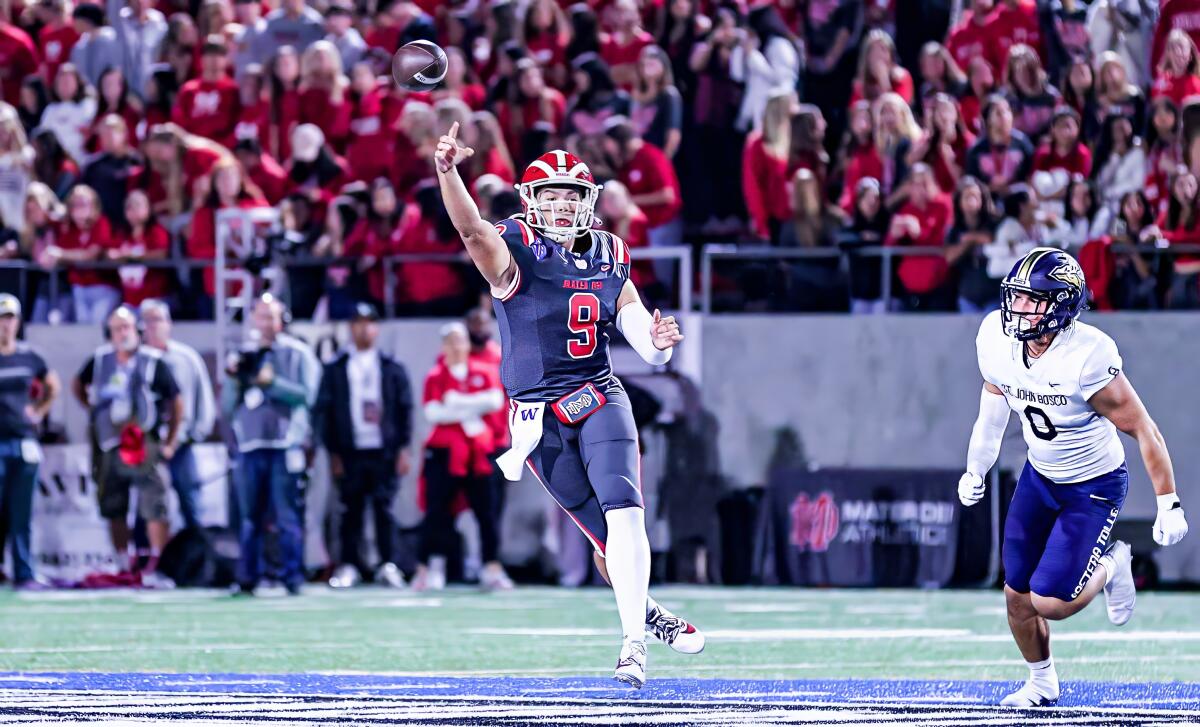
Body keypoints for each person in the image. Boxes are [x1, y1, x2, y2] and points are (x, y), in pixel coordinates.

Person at [434, 122, 704, 689]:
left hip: (599, 395)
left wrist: (653, 342)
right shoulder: (514, 249)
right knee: (606, 543)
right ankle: (648, 613)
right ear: (530, 202)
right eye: (551, 195)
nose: (561, 205)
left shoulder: (611, 250)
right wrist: (448, 172)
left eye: (572, 195)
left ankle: (632, 645)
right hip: (538, 420)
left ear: (588, 202)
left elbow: (633, 323)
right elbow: (468, 230)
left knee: (625, 511)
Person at [959, 247, 1189, 707]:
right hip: (1040, 477)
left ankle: (1113, 564)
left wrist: (1169, 501)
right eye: (1017, 297)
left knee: (1050, 601)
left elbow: (1143, 427)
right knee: (1016, 595)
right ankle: (1041, 682)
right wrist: (975, 467)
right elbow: (992, 410)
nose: (1019, 309)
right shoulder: (997, 341)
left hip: (1093, 485)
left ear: (1061, 305)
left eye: (1032, 300)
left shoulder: (1086, 356)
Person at [74, 305, 183, 585]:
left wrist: (170, 441)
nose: (123, 333)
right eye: (116, 328)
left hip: (144, 441)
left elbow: (176, 400)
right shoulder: (99, 360)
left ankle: (157, 564)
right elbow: (77, 384)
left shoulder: (153, 360)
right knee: (113, 503)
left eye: (127, 327)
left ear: (136, 329)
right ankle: (124, 562)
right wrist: (93, 411)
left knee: (154, 503)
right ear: (108, 332)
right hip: (111, 442)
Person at [222, 295, 320, 596]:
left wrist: (271, 382)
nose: (266, 323)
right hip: (251, 445)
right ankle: (248, 577)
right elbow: (227, 407)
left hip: (285, 444)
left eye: (271, 316)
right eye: (261, 316)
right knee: (250, 517)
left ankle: (292, 576)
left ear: (283, 320)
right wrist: (235, 379)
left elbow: (308, 395)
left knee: (287, 515)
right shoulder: (244, 354)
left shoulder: (298, 353)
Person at [318, 302, 413, 589]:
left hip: (383, 448)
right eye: (358, 322)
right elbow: (326, 410)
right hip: (350, 449)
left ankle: (388, 563)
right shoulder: (336, 367)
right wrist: (333, 451)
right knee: (349, 511)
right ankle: (349, 564)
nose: (364, 328)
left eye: (370, 322)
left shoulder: (390, 366)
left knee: (385, 509)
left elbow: (404, 408)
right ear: (351, 327)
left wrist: (403, 448)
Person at [415, 322, 511, 592]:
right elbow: (433, 413)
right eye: (451, 342)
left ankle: (491, 567)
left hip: (479, 452)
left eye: (460, 341)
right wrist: (472, 407)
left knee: (486, 512)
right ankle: (429, 566)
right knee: (437, 511)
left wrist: (456, 402)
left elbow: (494, 401)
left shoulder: (483, 371)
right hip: (446, 452)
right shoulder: (436, 375)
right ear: (444, 346)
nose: (456, 347)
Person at [139, 299, 215, 532]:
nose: (153, 326)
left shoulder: (186, 358)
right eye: (147, 321)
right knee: (147, 507)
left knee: (191, 503)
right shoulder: (135, 359)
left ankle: (201, 559)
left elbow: (204, 399)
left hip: (183, 443)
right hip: (146, 445)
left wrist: (195, 434)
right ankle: (146, 563)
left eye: (158, 320)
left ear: (169, 324)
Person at [0, 294, 60, 590]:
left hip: (22, 440)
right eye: (1, 318)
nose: (5, 325)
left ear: (18, 322)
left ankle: (24, 572)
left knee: (21, 513)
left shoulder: (30, 356)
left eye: (9, 318)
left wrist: (39, 411)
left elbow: (54, 385)